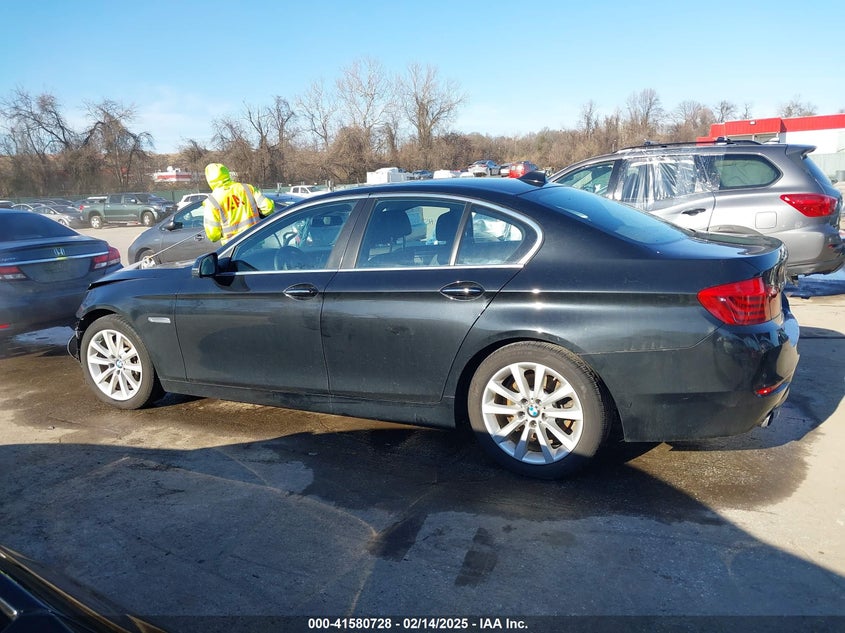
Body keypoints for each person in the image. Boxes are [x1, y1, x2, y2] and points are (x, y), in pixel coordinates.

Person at [202, 163, 274, 244]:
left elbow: (213, 235)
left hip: (234, 248)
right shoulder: (247, 188)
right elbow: (268, 207)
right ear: (226, 173)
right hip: (256, 241)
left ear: (209, 180)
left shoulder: (211, 201)